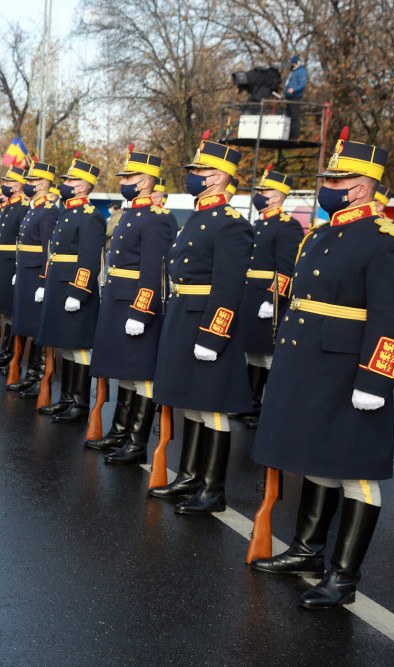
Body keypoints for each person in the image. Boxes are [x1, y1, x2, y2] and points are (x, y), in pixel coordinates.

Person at [250, 129, 394, 610]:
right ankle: (307, 551)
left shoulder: (386, 240)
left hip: (349, 371)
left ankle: (344, 577)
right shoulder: (320, 234)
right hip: (310, 365)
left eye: (336, 180)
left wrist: (376, 380)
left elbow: (393, 317)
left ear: (361, 187)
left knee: (355, 470)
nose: (327, 186)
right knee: (317, 458)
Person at [150, 132, 253, 514]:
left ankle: (213, 489)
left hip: (207, 322)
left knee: (212, 407)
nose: (192, 175)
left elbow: (228, 287)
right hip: (183, 314)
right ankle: (190, 476)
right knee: (190, 402)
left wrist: (214, 334)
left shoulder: (230, 223)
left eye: (199, 170)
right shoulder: (199, 215)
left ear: (219, 177)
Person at [87, 147, 176, 460]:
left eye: (129, 177)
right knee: (124, 369)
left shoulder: (156, 218)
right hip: (118, 299)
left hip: (136, 304)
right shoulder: (130, 214)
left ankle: (137, 443)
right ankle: (119, 432)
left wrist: (142, 310)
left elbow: (153, 272)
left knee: (142, 373)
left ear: (145, 182)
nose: (123, 182)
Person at [35, 153, 107, 422]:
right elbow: (53, 253)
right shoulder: (68, 212)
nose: (64, 184)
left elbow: (89, 259)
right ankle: (66, 398)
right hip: (58, 284)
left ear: (82, 186)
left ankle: (80, 402)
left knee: (79, 347)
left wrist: (78, 292)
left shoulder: (90, 216)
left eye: (69, 181)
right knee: (65, 345)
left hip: (73, 288)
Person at [236, 165, 302, 429]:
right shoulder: (258, 223)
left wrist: (272, 299)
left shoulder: (287, 226)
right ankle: (250, 404)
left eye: (264, 191)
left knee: (269, 357)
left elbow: (287, 268)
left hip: (268, 299)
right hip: (249, 295)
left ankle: (271, 409)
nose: (259, 195)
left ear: (276, 196)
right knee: (253, 355)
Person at [8, 161, 59, 396]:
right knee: (27, 325)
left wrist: (43, 282)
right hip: (27, 272)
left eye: (32, 181)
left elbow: (49, 251)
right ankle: (31, 375)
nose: (27, 184)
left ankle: (39, 377)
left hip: (37, 275)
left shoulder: (48, 211)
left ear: (43, 184)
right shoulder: (35, 208)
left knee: (38, 327)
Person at [0, 166, 27, 370]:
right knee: (4, 311)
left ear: (18, 186)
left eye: (9, 182)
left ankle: (14, 357)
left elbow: (24, 242)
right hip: (2, 262)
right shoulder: (7, 207)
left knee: (14, 311)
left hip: (12, 264)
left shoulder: (23, 207)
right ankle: (5, 353)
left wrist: (19, 269)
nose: (5, 185)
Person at [284, 55, 307, 140]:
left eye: (294, 63)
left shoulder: (301, 71)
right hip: (289, 97)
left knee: (294, 117)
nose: (292, 65)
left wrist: (294, 89)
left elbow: (302, 84)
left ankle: (294, 137)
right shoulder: (292, 71)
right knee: (288, 117)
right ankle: (287, 135)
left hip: (296, 97)